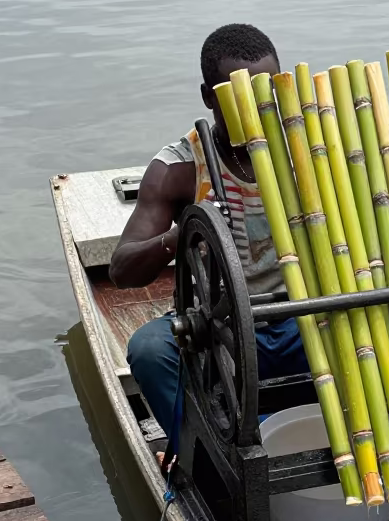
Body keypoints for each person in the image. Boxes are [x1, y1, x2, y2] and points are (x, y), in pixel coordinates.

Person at [110, 23, 308, 440]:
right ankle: (203, 456)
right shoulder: (180, 168)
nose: (255, 109)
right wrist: (179, 235)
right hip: (218, 327)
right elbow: (122, 271)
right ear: (208, 96)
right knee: (149, 350)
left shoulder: (311, 151)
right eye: (237, 96)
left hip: (301, 321)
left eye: (266, 92)